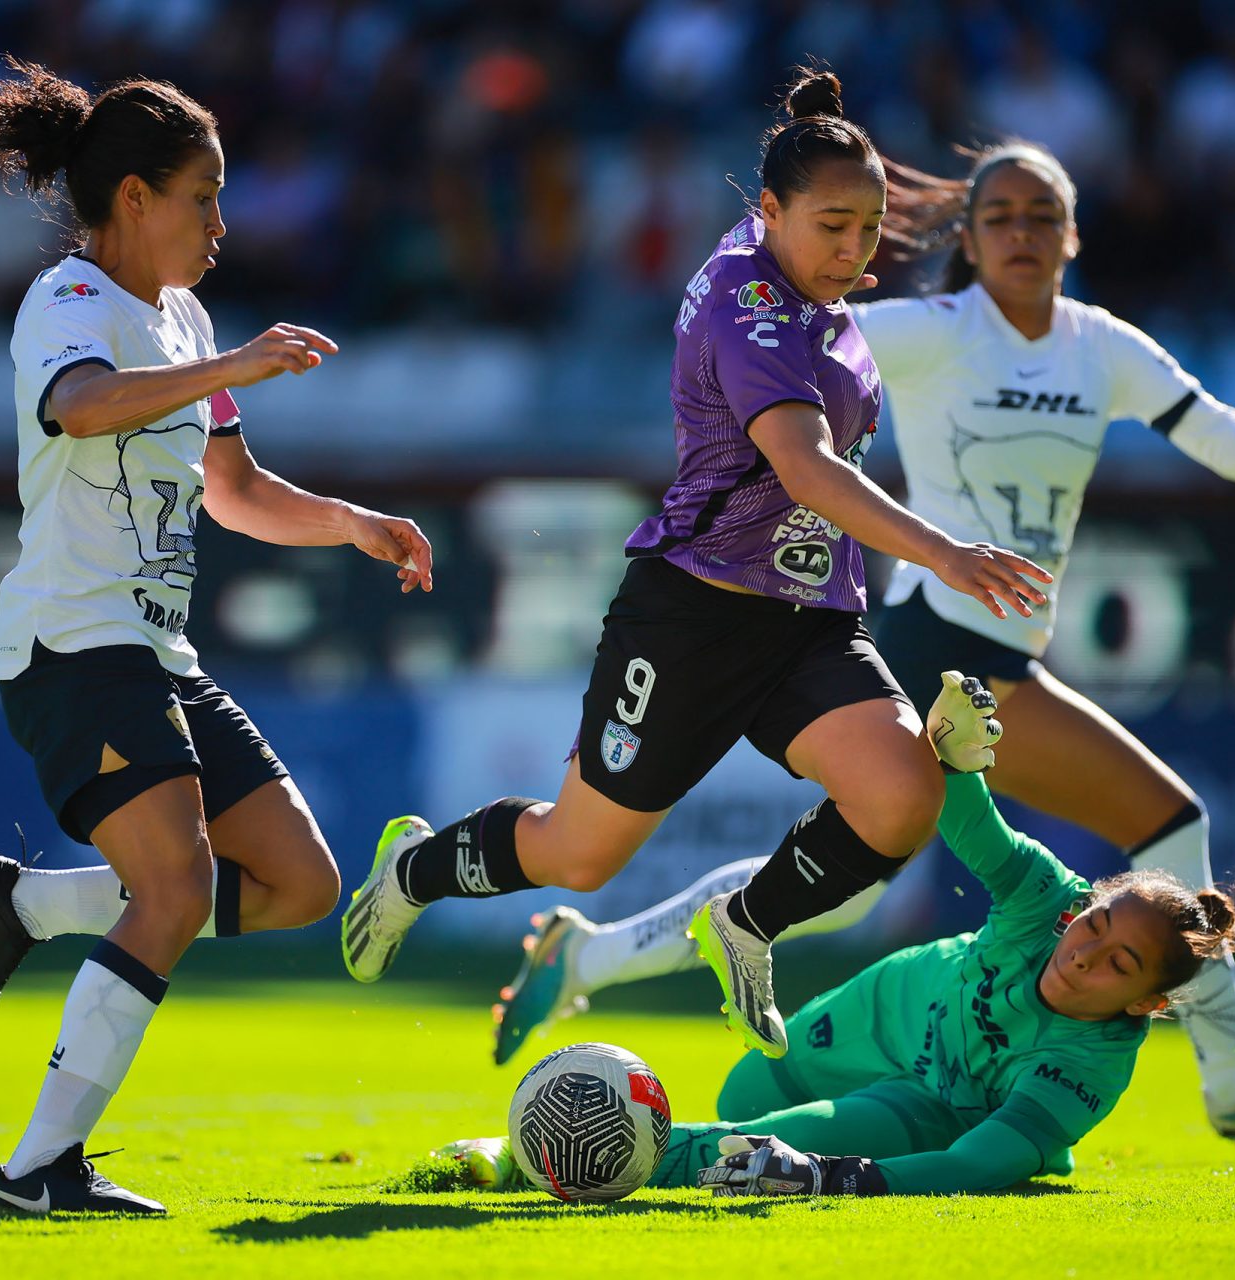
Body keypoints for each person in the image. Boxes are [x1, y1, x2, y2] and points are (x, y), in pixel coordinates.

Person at [489, 139, 1235, 1140]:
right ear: (971, 239)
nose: (1022, 234)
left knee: (842, 892)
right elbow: (767, 350)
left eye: (1043, 217)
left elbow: (1232, 449)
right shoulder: (932, 330)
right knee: (1169, 824)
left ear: (1073, 236)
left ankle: (587, 953)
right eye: (999, 217)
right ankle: (1234, 1074)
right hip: (945, 639)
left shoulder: (1105, 346)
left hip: (1002, 649)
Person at [338, 69, 1051, 1061]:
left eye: (868, 228)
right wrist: (947, 554)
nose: (853, 249)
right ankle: (414, 870)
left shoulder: (805, 285)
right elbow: (803, 467)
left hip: (809, 623)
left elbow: (817, 277)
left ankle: (744, 924)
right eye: (831, 225)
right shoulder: (749, 303)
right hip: (692, 617)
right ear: (767, 212)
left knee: (899, 794)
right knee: (577, 853)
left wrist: (829, 261)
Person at [0, 57, 434, 1216]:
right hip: (74, 642)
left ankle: (28, 906)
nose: (221, 222)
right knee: (174, 887)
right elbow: (82, 404)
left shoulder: (185, 317)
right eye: (203, 196)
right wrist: (237, 361)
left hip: (158, 654)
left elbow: (235, 488)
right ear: (133, 199)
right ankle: (36, 1170)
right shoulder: (68, 301)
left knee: (304, 882)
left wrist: (354, 522)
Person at [439, 674, 1235, 1197]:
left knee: (758, 1147)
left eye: (1117, 963)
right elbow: (975, 831)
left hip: (926, 1103)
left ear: (1147, 1003)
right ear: (1086, 904)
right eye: (1099, 924)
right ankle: (589, 974)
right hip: (887, 1007)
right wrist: (954, 758)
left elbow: (972, 1163)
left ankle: (527, 1156)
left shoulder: (1089, 1067)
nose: (1084, 952)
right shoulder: (1052, 899)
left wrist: (838, 1176)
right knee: (747, 1094)